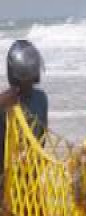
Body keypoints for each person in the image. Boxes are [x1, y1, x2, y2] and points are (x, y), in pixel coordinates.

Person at [0, 40, 49, 172]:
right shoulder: (4, 101)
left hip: (31, 169)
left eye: (31, 79)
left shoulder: (41, 98)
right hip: (7, 171)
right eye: (24, 80)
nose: (28, 83)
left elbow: (42, 137)